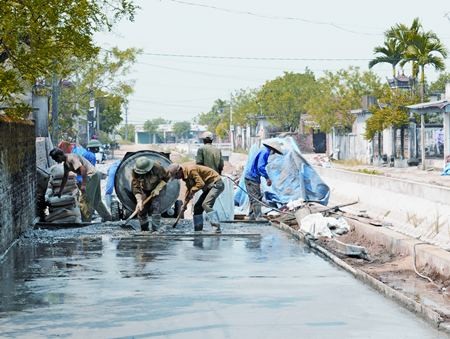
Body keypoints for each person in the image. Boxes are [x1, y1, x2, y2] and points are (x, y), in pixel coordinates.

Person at [49, 147, 112, 222]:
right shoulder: (66, 163)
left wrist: (83, 185)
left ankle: (86, 222)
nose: (56, 161)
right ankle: (107, 217)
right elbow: (65, 178)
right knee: (96, 200)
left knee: (85, 200)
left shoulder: (71, 158)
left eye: (55, 159)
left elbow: (83, 169)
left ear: (59, 156)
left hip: (91, 176)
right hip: (95, 174)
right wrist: (60, 192)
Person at [167, 163, 224, 233]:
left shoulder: (191, 170)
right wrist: (184, 204)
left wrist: (192, 191)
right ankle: (198, 230)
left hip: (216, 184)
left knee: (206, 204)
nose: (176, 178)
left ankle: (217, 229)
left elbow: (200, 184)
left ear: (179, 171)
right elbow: (189, 189)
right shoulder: (185, 175)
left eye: (176, 176)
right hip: (208, 187)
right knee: (197, 208)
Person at [244, 140, 283, 220]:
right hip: (252, 177)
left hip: (250, 176)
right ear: (272, 149)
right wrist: (267, 178)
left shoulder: (262, 150)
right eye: (274, 152)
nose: (274, 153)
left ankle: (251, 215)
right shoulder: (265, 152)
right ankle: (258, 216)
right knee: (256, 197)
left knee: (253, 197)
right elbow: (260, 167)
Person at [131, 157, 169, 232]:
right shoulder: (135, 171)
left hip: (158, 189)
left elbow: (166, 177)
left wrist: (158, 188)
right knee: (141, 209)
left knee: (155, 206)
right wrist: (139, 200)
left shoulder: (158, 168)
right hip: (144, 189)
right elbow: (135, 186)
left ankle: (155, 230)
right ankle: (144, 229)